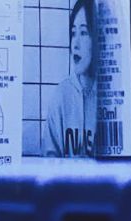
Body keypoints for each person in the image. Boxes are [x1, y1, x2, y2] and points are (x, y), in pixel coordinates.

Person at [44, 0, 98, 158]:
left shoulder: (109, 95)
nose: (75, 44)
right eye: (73, 33)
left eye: (84, 32)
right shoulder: (60, 96)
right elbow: (49, 163)